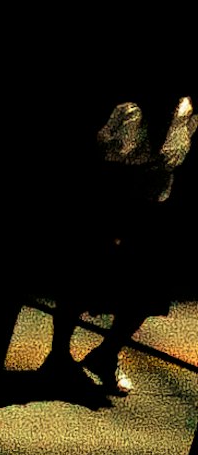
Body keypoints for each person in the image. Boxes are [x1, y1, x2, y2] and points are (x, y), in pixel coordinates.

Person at [52, 81, 188, 403]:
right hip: (114, 204)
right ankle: (59, 355)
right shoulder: (130, 112)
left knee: (144, 294)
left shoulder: (183, 113)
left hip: (151, 211)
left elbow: (173, 161)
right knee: (84, 280)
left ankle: (107, 353)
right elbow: (107, 159)